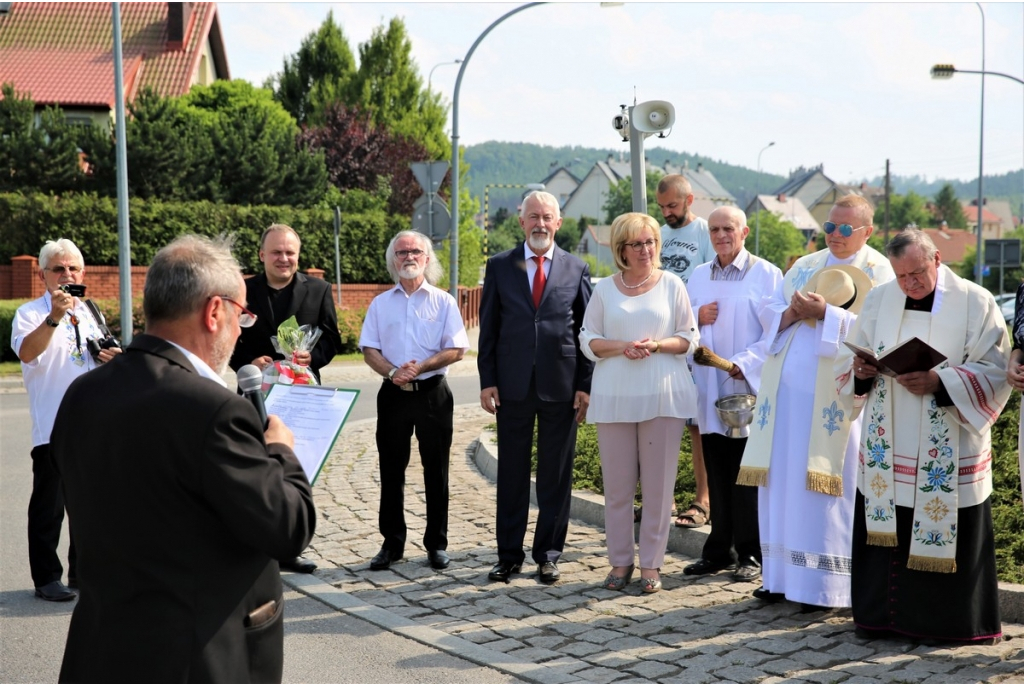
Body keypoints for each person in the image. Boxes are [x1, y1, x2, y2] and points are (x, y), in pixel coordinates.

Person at [51, 234, 316, 682]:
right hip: (194, 658)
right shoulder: (214, 410)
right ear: (215, 312)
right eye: (241, 315)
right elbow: (289, 527)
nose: (239, 330)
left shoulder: (83, 394)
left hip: (99, 651)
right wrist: (281, 451)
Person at [838, 229, 1009, 644]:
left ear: (935, 259)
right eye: (901, 276)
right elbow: (853, 356)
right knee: (887, 525)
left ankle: (945, 625)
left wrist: (940, 380)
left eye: (917, 273)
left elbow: (996, 368)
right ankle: (881, 620)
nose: (909, 284)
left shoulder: (975, 300)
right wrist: (861, 372)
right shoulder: (879, 298)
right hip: (889, 441)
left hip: (948, 441)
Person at [738, 194, 895, 610]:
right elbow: (769, 314)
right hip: (784, 403)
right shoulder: (804, 266)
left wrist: (828, 313)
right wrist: (790, 313)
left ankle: (822, 587)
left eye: (845, 229)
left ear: (867, 231)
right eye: (829, 227)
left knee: (822, 493)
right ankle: (779, 578)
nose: (835, 236)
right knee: (782, 485)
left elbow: (879, 332)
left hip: (836, 405)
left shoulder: (880, 271)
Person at [478, 190, 594, 584]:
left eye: (548, 217)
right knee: (511, 474)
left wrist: (585, 384)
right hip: (511, 386)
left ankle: (548, 554)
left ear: (558, 223)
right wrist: (487, 380)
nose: (540, 224)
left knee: (555, 477)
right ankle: (508, 555)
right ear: (521, 221)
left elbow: (585, 332)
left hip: (561, 387)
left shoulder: (576, 268)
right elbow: (488, 329)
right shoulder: (499, 266)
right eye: (533, 217)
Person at [579, 212, 698, 593]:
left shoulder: (673, 284)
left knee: (659, 488)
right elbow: (588, 340)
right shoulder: (604, 289)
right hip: (614, 397)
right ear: (621, 250)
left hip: (662, 395)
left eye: (651, 242)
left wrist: (657, 344)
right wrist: (621, 347)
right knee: (616, 488)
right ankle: (619, 562)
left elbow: (688, 338)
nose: (646, 250)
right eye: (637, 243)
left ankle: (651, 564)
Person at [11, 239, 122, 602]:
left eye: (73, 268)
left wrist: (114, 357)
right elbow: (27, 353)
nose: (67, 275)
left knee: (90, 505)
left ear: (83, 273)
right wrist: (54, 317)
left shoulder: (90, 311)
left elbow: (100, 353)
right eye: (59, 269)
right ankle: (46, 578)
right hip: (54, 424)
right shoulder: (30, 312)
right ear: (43, 274)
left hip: (93, 423)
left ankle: (82, 572)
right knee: (50, 506)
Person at [229, 223, 341, 573]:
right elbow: (225, 335)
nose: (284, 258)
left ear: (298, 255)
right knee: (252, 470)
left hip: (303, 395)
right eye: (276, 252)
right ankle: (252, 546)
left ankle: (290, 547)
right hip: (254, 393)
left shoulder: (319, 289)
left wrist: (312, 357)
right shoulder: (242, 290)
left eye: (290, 252)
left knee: (297, 471)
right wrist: (247, 362)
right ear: (262, 255)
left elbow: (332, 340)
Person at [359, 230, 470, 572]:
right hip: (392, 394)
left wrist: (420, 367)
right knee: (391, 471)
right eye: (402, 251)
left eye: (416, 251)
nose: (409, 256)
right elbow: (368, 349)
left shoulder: (443, 301)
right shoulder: (380, 303)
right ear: (394, 260)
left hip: (433, 394)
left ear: (427, 258)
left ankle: (436, 544)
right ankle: (392, 544)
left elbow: (457, 348)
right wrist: (393, 372)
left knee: (436, 471)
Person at [683, 207, 782, 583]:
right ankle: (718, 549)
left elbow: (776, 332)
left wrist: (743, 363)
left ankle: (751, 553)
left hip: (745, 387)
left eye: (728, 228)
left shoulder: (767, 274)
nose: (721, 235)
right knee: (718, 468)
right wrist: (697, 313)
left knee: (747, 473)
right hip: (709, 386)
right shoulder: (698, 275)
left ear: (744, 231)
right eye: (714, 229)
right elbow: (681, 321)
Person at [656, 174, 715, 530]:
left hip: (696, 341)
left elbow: (712, 283)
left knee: (697, 427)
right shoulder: (658, 235)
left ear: (689, 200)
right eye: (662, 207)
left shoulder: (706, 233)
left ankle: (703, 500)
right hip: (664, 342)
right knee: (663, 423)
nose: (667, 213)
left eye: (673, 206)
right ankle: (662, 499)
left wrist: (695, 315)